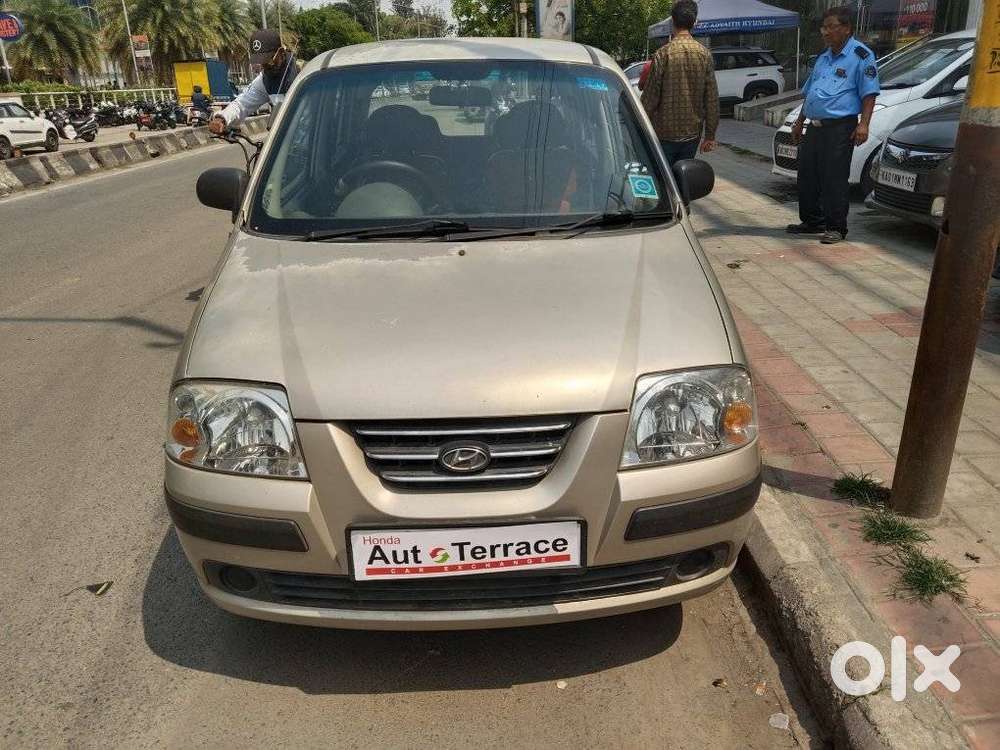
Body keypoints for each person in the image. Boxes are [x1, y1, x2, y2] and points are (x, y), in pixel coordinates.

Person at [787, 6, 880, 245]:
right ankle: (812, 221)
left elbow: (869, 93)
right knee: (807, 175)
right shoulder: (823, 57)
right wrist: (799, 122)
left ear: (847, 28)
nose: (826, 32)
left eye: (831, 27)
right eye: (824, 27)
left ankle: (836, 227)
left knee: (834, 178)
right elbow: (810, 93)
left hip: (840, 127)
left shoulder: (861, 55)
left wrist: (864, 124)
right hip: (814, 127)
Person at [640, 0, 718, 166]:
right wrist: (710, 136)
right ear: (694, 22)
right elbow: (712, 99)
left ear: (672, 21)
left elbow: (650, 98)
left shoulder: (663, 54)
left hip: (663, 134)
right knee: (684, 178)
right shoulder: (704, 55)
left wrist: (638, 127)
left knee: (664, 180)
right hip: (692, 134)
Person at [209, 29, 297, 134]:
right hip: (286, 141)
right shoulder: (264, 80)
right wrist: (222, 118)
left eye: (268, 60)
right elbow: (242, 104)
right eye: (261, 62)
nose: (265, 66)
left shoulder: (303, 72)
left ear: (281, 52)